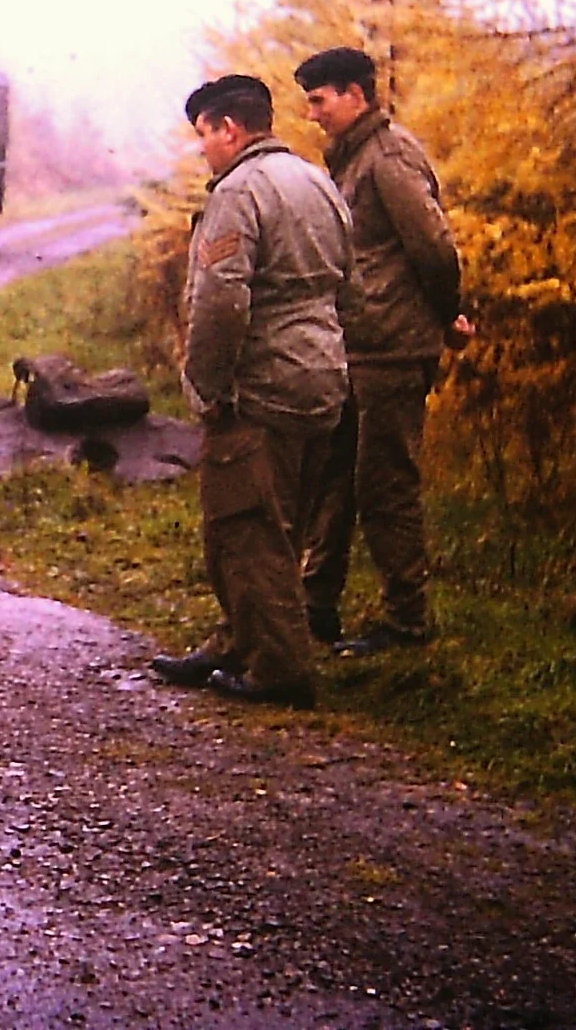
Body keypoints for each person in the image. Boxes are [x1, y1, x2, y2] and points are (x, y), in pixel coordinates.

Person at [150, 74, 352, 708]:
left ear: (229, 129)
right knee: (283, 520)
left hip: (261, 384)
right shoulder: (316, 180)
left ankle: (277, 668)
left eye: (205, 136)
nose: (204, 149)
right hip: (322, 374)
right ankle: (238, 639)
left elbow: (221, 302)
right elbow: (350, 274)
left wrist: (206, 386)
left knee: (246, 527)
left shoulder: (238, 192)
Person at [294, 47, 473, 656]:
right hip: (358, 347)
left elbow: (434, 247)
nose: (313, 113)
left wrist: (449, 315)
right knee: (334, 477)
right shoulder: (355, 157)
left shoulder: (388, 156)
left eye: (320, 100)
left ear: (355, 94)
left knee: (385, 484)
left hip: (393, 349)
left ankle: (407, 625)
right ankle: (315, 607)